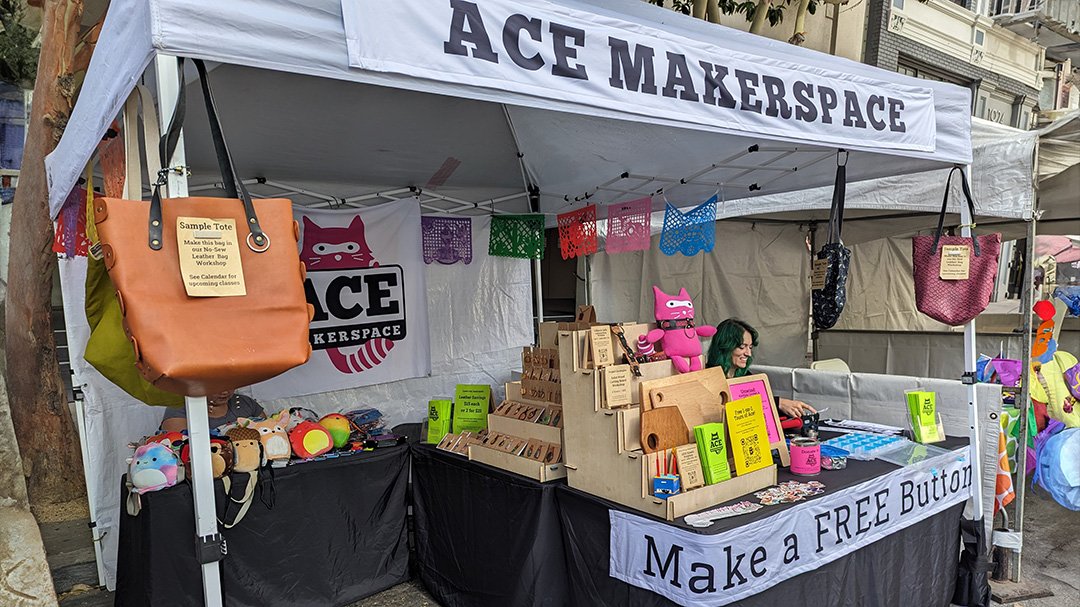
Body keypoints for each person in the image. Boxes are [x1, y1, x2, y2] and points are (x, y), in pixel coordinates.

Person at [705, 318, 817, 419]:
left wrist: (784, 405)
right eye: (742, 347)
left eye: (750, 347)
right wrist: (779, 403)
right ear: (724, 347)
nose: (748, 353)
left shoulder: (748, 377)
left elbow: (760, 405)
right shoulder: (706, 378)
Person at [160, 389, 265, 432]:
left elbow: (270, 432)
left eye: (230, 384)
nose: (225, 391)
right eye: (217, 386)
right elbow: (177, 447)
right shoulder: (180, 408)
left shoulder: (245, 403)